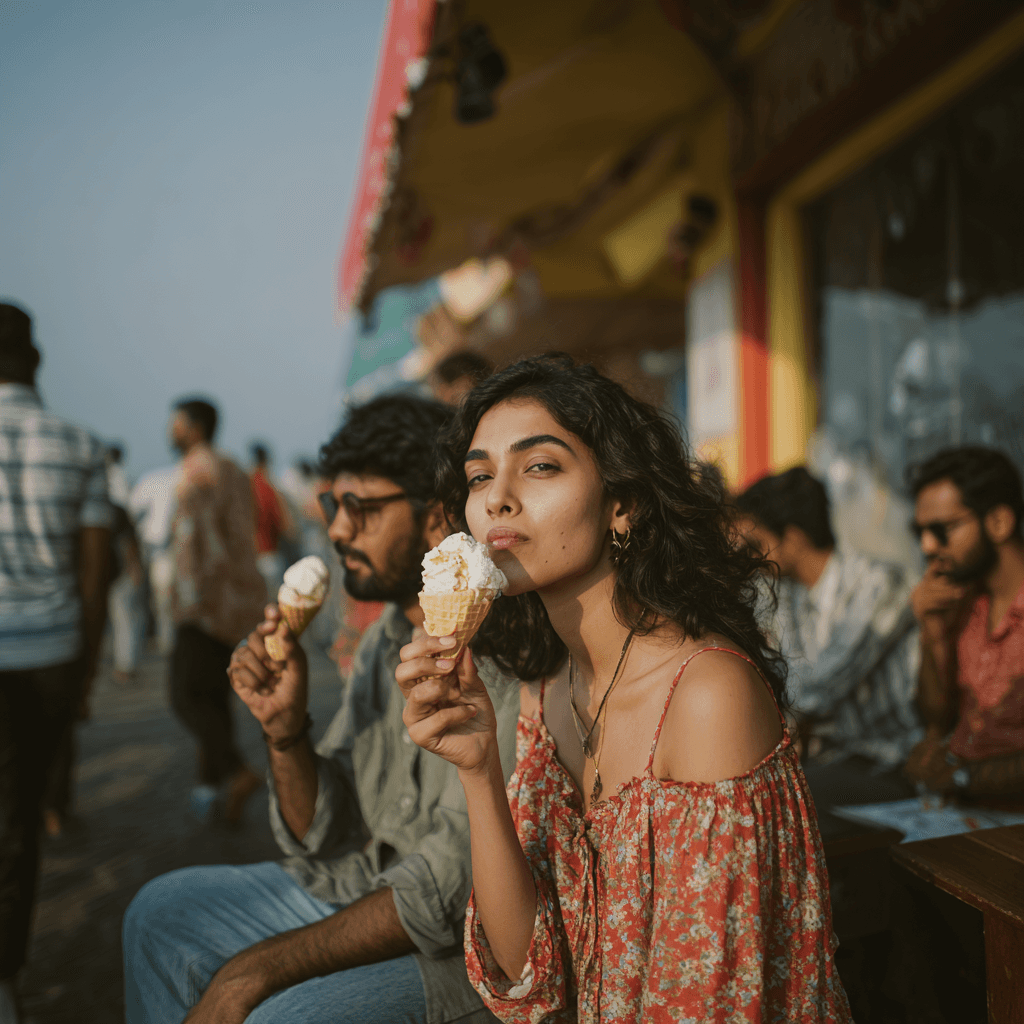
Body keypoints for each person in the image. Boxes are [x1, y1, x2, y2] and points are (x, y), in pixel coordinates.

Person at [398, 357, 852, 1022]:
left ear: (623, 506)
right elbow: (531, 980)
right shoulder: (543, 691)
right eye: (478, 476)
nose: (496, 497)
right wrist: (477, 770)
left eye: (540, 465)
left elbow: (710, 1003)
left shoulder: (707, 697)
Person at [123, 394, 520, 1024]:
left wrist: (252, 971)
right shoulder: (387, 636)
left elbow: (446, 891)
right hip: (357, 888)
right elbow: (325, 832)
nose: (336, 529)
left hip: (463, 951)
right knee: (159, 911)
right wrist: (285, 733)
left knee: (284, 1014)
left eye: (360, 508)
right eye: (334, 506)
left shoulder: (504, 660)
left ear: (437, 517)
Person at [0, 303, 112, 1024]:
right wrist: (84, 674)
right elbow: (96, 574)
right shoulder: (79, 443)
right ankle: (5, 977)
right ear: (36, 363)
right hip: (48, 656)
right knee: (15, 819)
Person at [734, 467, 922, 806]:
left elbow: (820, 687)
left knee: (768, 800)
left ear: (792, 538)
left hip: (888, 761)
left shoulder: (877, 584)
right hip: (829, 759)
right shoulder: (785, 591)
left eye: (754, 545)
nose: (747, 559)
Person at [167, 397, 267, 824]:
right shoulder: (232, 466)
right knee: (213, 696)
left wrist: (189, 600)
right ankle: (214, 792)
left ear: (193, 427)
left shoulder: (196, 468)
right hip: (238, 599)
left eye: (176, 424)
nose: (171, 431)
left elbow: (196, 537)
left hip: (206, 602)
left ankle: (236, 771)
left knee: (185, 695)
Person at [904, 446, 1024, 798]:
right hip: (961, 808)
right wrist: (933, 633)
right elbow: (936, 721)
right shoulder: (964, 602)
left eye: (942, 530)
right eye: (920, 531)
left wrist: (962, 777)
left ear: (999, 522)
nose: (927, 546)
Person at [129, 461, 182, 655]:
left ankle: (165, 640)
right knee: (164, 598)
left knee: (159, 599)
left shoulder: (152, 479)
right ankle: (165, 639)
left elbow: (132, 511)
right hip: (162, 550)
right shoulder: (177, 479)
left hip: (159, 550)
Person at [250, 442, 290, 598]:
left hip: (252, 560)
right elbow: (286, 526)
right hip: (269, 556)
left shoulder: (246, 486)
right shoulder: (269, 487)